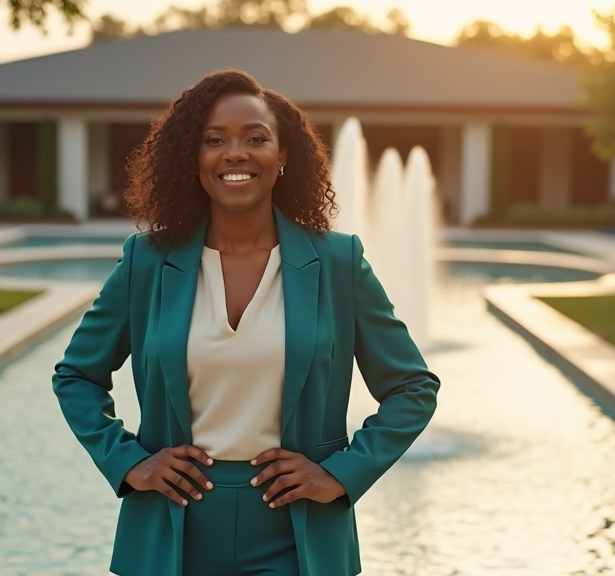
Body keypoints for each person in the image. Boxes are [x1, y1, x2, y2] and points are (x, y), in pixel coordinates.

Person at [52, 69, 440, 576]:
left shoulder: (338, 263)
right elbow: (76, 376)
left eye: (256, 139)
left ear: (282, 157)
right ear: (193, 158)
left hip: (298, 535)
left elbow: (413, 387)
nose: (235, 153)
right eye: (214, 140)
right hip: (172, 529)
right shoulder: (146, 262)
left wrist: (341, 475)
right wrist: (128, 462)